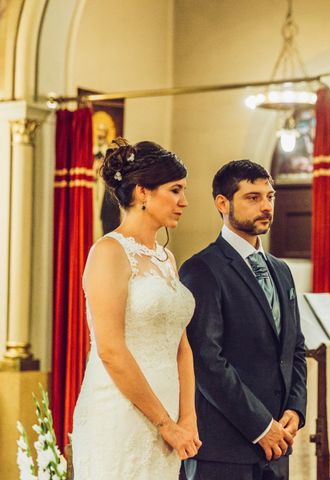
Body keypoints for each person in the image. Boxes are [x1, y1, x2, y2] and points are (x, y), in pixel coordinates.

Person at [72, 138, 202, 479]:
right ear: (143, 192)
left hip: (169, 417)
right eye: (175, 190)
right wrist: (164, 422)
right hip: (121, 413)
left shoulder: (166, 258)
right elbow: (111, 350)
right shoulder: (109, 252)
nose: (184, 201)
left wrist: (186, 417)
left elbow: (182, 347)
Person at [180, 159, 307, 480]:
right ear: (223, 203)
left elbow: (295, 349)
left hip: (278, 445)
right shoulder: (203, 269)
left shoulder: (281, 270)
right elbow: (207, 361)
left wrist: (295, 410)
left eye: (270, 196)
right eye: (253, 197)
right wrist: (261, 426)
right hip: (225, 449)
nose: (266, 206)